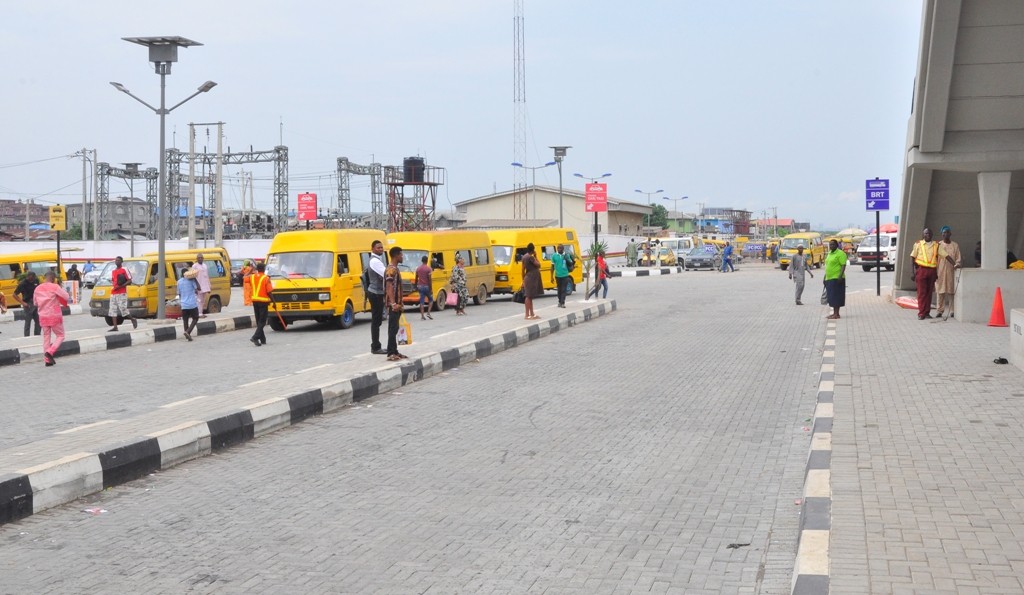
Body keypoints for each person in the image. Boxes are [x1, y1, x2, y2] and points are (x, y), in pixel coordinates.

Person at [33, 271, 69, 367]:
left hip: (43, 316)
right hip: (54, 315)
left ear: (45, 278)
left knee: (46, 337)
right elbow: (66, 296)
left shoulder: (37, 288)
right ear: (53, 279)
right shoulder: (55, 287)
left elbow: (35, 303)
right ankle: (50, 351)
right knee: (60, 335)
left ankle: (47, 361)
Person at [910, 227, 947, 320]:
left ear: (932, 235)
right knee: (921, 293)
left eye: (929, 233)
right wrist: (913, 273)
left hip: (932, 271)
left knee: (929, 293)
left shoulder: (936, 245)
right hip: (921, 270)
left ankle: (927, 312)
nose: (928, 235)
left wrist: (955, 264)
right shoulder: (918, 244)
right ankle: (921, 313)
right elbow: (912, 258)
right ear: (923, 235)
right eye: (926, 233)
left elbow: (946, 255)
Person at [383, 246, 408, 361]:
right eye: (401, 255)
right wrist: (393, 303)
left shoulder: (395, 269)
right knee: (392, 328)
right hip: (393, 305)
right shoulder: (391, 270)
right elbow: (389, 287)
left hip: (398, 304)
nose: (402, 257)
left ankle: (395, 351)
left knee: (395, 327)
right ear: (396, 256)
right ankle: (390, 353)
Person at [935, 226, 962, 318]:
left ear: (950, 234)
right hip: (940, 271)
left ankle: (952, 311)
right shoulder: (938, 245)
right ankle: (940, 310)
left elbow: (958, 258)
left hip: (952, 271)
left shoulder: (955, 245)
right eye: (943, 233)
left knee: (951, 291)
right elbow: (934, 259)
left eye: (947, 232)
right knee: (940, 291)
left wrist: (957, 264)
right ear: (941, 234)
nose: (945, 234)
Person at [366, 239, 387, 355]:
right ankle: (375, 346)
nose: (381, 249)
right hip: (375, 293)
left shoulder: (377, 260)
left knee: (377, 320)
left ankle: (376, 345)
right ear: (373, 249)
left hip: (377, 292)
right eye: (378, 248)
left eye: (381, 247)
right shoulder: (375, 261)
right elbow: (386, 273)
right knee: (376, 321)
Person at [107, 256, 138, 332]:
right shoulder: (113, 271)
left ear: (121, 262)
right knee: (112, 310)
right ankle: (115, 327)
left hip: (122, 293)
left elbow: (129, 280)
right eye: (116, 260)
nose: (116, 261)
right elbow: (114, 281)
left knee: (123, 309)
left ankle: (132, 319)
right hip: (113, 292)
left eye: (118, 260)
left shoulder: (124, 269)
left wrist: (121, 286)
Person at [249, 262, 274, 347]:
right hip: (263, 302)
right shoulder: (266, 278)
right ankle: (255, 337)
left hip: (255, 301)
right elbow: (269, 292)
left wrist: (250, 271)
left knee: (259, 320)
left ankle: (262, 339)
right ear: (264, 269)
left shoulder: (252, 277)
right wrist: (274, 302)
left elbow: (244, 278)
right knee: (262, 321)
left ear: (257, 269)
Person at [823, 239, 847, 320]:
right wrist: (825, 277)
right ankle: (834, 313)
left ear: (837, 245)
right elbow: (828, 266)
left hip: (837, 278)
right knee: (831, 297)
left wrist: (840, 276)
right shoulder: (829, 253)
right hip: (829, 278)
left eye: (833, 244)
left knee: (837, 296)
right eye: (830, 244)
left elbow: (843, 265)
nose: (831, 246)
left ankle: (837, 314)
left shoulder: (840, 253)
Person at [14, 271, 41, 336]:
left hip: (36, 302)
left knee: (38, 320)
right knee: (28, 321)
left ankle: (37, 334)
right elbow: (14, 295)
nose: (33, 280)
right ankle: (27, 336)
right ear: (28, 277)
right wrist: (23, 303)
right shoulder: (23, 284)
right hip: (27, 303)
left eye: (34, 278)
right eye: (31, 278)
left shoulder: (36, 281)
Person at [177, 267, 200, 341]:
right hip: (192, 304)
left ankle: (187, 335)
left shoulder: (179, 282)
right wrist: (195, 278)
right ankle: (188, 331)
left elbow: (179, 294)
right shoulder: (191, 280)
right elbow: (199, 288)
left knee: (185, 320)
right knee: (195, 318)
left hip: (184, 304)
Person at [521, 243, 543, 320]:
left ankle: (532, 314)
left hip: (527, 277)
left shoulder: (524, 257)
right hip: (531, 278)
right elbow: (539, 265)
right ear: (533, 249)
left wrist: (523, 280)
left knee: (530, 296)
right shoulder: (531, 257)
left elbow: (522, 270)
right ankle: (527, 315)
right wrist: (536, 256)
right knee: (528, 296)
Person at [415, 255, 434, 320]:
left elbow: (416, 277)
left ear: (422, 261)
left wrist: (415, 285)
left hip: (420, 286)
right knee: (431, 300)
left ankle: (422, 316)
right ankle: (428, 313)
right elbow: (429, 279)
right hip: (426, 286)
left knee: (422, 301)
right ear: (427, 260)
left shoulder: (418, 268)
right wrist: (431, 288)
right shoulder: (429, 269)